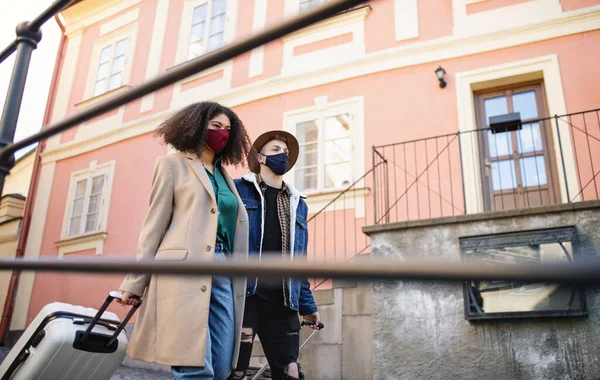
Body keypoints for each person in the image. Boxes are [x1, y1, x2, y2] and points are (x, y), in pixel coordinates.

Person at [117, 101, 252, 380]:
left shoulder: (225, 176)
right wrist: (135, 281)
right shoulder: (171, 165)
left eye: (227, 129)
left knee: (223, 362)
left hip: (224, 269)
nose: (222, 133)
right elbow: (154, 225)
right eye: (215, 126)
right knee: (194, 364)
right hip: (183, 269)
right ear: (196, 126)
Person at [231, 131, 320, 380]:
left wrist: (307, 304)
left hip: (283, 299)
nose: (282, 154)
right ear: (260, 157)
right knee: (234, 370)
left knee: (290, 372)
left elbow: (299, 258)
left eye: (286, 151)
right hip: (245, 296)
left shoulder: (298, 201)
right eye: (276, 149)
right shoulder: (238, 190)